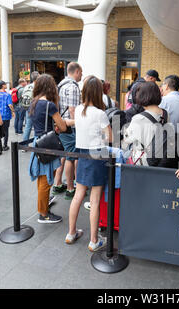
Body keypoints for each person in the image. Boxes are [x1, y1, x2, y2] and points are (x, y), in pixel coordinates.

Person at [66, 75, 112, 252]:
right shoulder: (100, 114)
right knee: (94, 200)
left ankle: (71, 233)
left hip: (82, 154)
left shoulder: (78, 110)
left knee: (78, 195)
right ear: (99, 93)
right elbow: (110, 138)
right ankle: (93, 240)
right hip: (98, 154)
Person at [28, 74, 67, 224]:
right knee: (45, 180)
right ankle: (43, 214)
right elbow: (62, 126)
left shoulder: (34, 103)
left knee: (42, 179)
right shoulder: (49, 105)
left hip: (38, 141)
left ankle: (43, 207)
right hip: (48, 145)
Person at [123, 81, 176, 167]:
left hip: (145, 161)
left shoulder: (138, 118)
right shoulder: (165, 113)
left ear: (141, 96)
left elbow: (127, 139)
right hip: (161, 159)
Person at [53, 62, 83, 200]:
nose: (81, 76)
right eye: (81, 73)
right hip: (69, 126)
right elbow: (73, 110)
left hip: (60, 124)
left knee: (64, 155)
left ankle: (58, 184)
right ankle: (70, 188)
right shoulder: (72, 87)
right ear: (76, 71)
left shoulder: (60, 85)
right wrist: (77, 128)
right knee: (71, 157)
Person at [0, 80, 15, 154]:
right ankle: (5, 145)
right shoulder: (7, 95)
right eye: (5, 84)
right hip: (5, 115)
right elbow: (10, 105)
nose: (6, 85)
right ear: (3, 86)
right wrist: (13, 112)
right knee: (5, 131)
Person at [22, 71, 40, 145]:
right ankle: (35, 145)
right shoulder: (38, 87)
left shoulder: (27, 86)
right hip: (36, 108)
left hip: (28, 109)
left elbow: (23, 96)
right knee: (37, 127)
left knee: (27, 127)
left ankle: (25, 145)